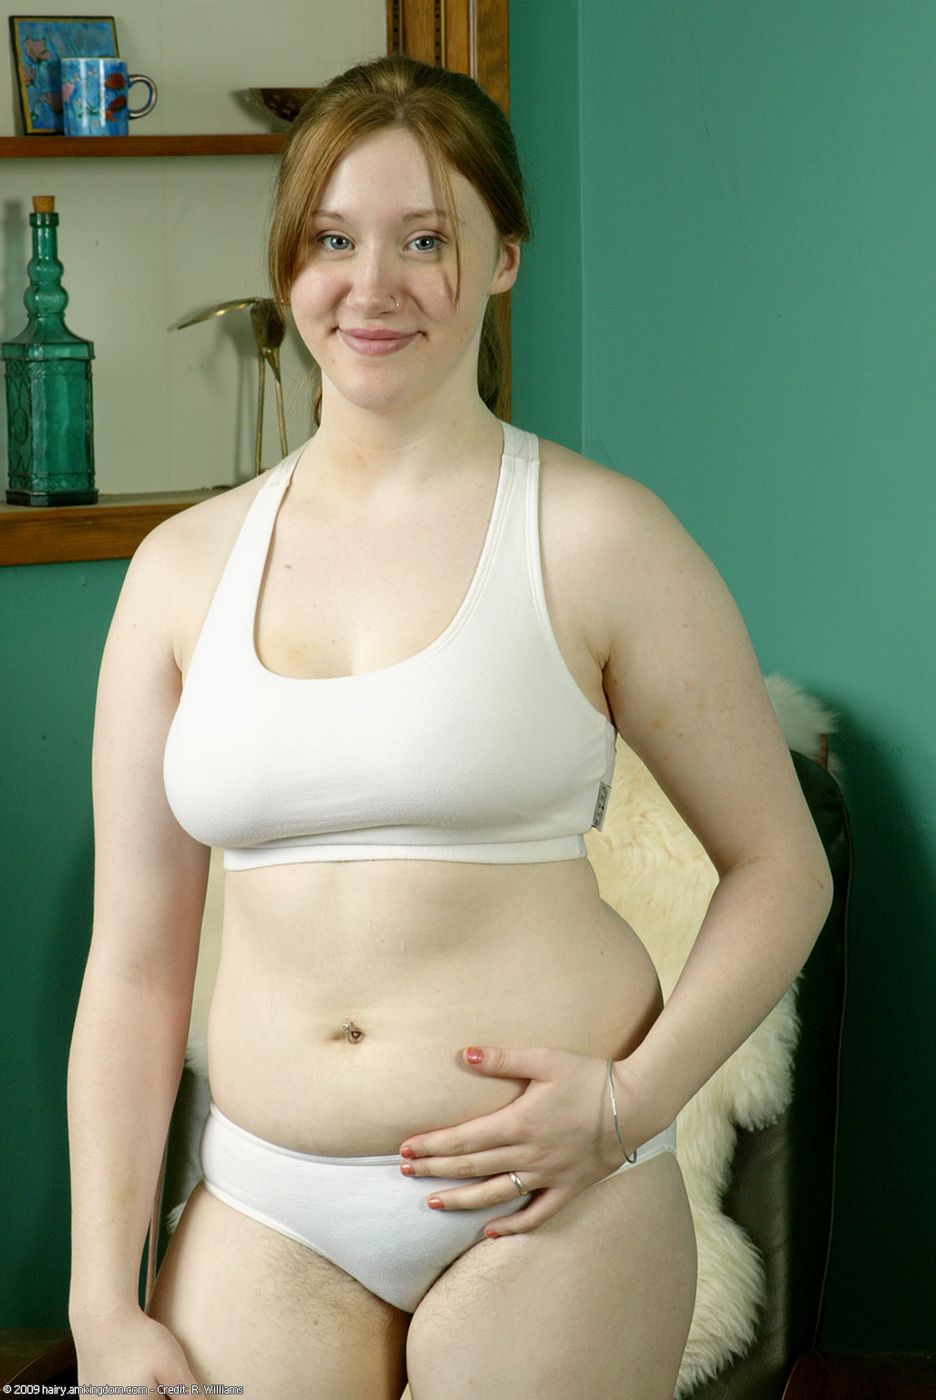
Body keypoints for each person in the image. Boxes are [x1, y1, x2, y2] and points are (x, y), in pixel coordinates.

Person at [66, 52, 833, 1400]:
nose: (373, 286)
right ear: (289, 265)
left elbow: (782, 869)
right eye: (332, 240)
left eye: (426, 239)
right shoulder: (178, 572)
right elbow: (133, 968)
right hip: (267, 1204)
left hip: (553, 1203)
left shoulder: (602, 537)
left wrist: (630, 1104)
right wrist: (99, 1304)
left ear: (505, 259)